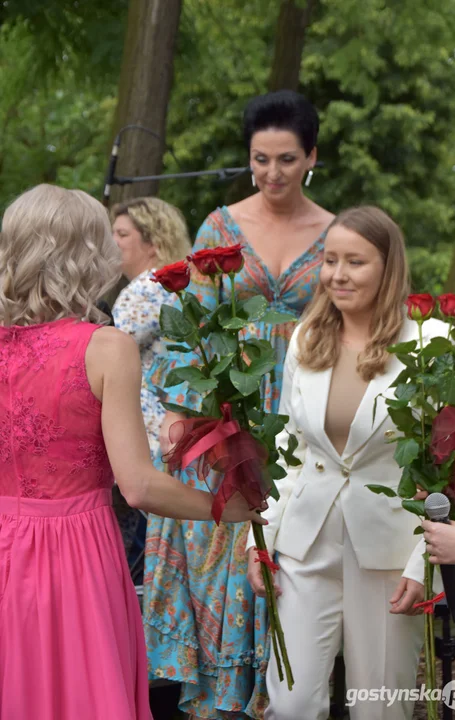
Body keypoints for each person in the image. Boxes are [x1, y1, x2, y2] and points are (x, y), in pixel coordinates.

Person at [0, 184, 265, 720]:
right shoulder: (104, 347)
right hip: (76, 554)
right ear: (89, 253)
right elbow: (138, 486)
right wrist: (229, 510)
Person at [143, 89, 334, 719]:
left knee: (281, 547)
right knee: (225, 536)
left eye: (285, 159)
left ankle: (281, 692)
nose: (272, 174)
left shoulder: (334, 232)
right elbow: (188, 321)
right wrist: (181, 413)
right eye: (259, 160)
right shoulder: (220, 227)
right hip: (226, 400)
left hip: (301, 402)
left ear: (311, 156)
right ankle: (217, 698)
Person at [246, 206, 446, 720]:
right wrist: (259, 538)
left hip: (389, 556)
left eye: (355, 261)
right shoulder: (307, 337)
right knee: (290, 706)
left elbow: (444, 472)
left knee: (380, 707)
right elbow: (290, 448)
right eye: (330, 259)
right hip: (303, 547)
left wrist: (423, 564)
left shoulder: (430, 341)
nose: (338, 274)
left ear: (388, 267)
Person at [111, 198, 191, 584]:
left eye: (122, 234)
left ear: (154, 242)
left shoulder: (143, 291)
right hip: (175, 423)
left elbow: (106, 354)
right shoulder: (179, 288)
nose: (112, 243)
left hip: (149, 432)